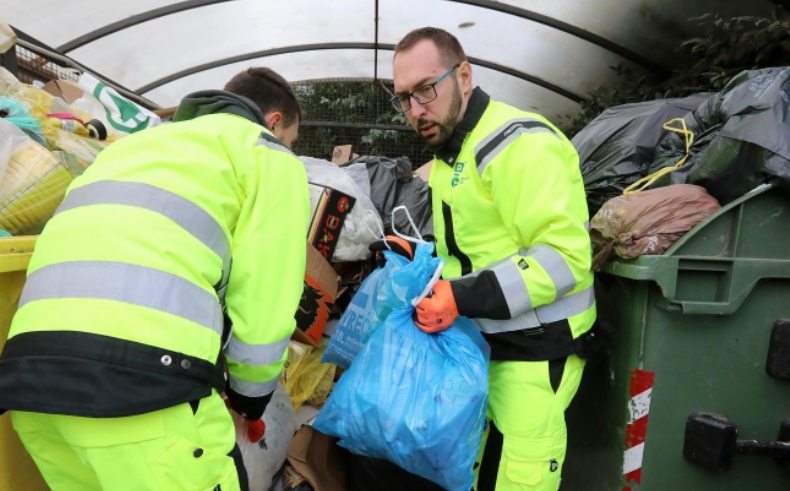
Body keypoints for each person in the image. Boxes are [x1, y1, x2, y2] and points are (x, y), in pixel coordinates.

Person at [0, 67, 309, 491]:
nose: (286, 147)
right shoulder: (264, 153)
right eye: (290, 139)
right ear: (274, 122)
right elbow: (265, 306)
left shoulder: (130, 147)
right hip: (143, 396)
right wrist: (247, 404)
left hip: (28, 384)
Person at [372, 27, 597, 491]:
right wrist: (422, 256)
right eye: (404, 99)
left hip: (537, 353)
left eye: (426, 90)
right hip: (483, 350)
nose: (416, 110)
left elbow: (563, 258)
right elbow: (477, 249)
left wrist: (456, 295)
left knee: (519, 478)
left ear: (465, 76)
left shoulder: (520, 144)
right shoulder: (451, 156)